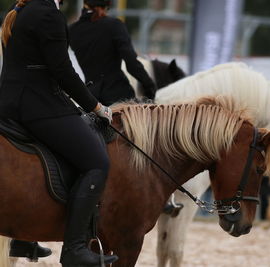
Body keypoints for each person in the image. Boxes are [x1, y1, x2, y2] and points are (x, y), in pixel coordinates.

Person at [0, 0, 119, 266]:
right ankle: (75, 248)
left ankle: (24, 237)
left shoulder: (22, 10)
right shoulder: (47, 14)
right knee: (96, 162)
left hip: (12, 103)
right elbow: (62, 71)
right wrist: (95, 106)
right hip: (37, 106)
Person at [69, 0, 156, 105]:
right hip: (119, 96)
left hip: (91, 98)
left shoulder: (72, 30)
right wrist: (150, 86)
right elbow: (132, 64)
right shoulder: (115, 25)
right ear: (105, 7)